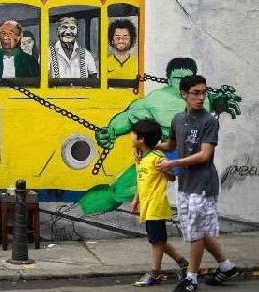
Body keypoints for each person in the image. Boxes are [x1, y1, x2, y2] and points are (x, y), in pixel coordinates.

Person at [79, 57, 241, 215]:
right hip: (169, 152)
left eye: (188, 78)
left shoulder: (204, 98)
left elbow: (217, 103)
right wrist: (111, 131)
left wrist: (222, 103)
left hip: (195, 158)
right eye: (178, 78)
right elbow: (129, 117)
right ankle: (83, 208)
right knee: (123, 189)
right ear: (169, 79)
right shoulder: (156, 101)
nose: (183, 82)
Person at [156, 75, 238, 292]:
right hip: (185, 184)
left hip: (203, 185)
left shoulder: (209, 121)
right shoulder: (177, 119)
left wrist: (173, 162)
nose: (201, 97)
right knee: (196, 231)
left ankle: (191, 278)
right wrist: (148, 145)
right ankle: (227, 267)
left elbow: (204, 155)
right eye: (196, 93)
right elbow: (171, 144)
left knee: (196, 232)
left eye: (204, 92)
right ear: (184, 94)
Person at [129, 118, 188, 287]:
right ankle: (183, 263)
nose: (130, 136)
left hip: (156, 205)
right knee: (158, 240)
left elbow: (171, 176)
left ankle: (155, 273)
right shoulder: (140, 156)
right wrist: (136, 199)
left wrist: (166, 169)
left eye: (133, 134)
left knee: (156, 241)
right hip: (147, 205)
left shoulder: (157, 157)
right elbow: (142, 180)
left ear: (141, 139)